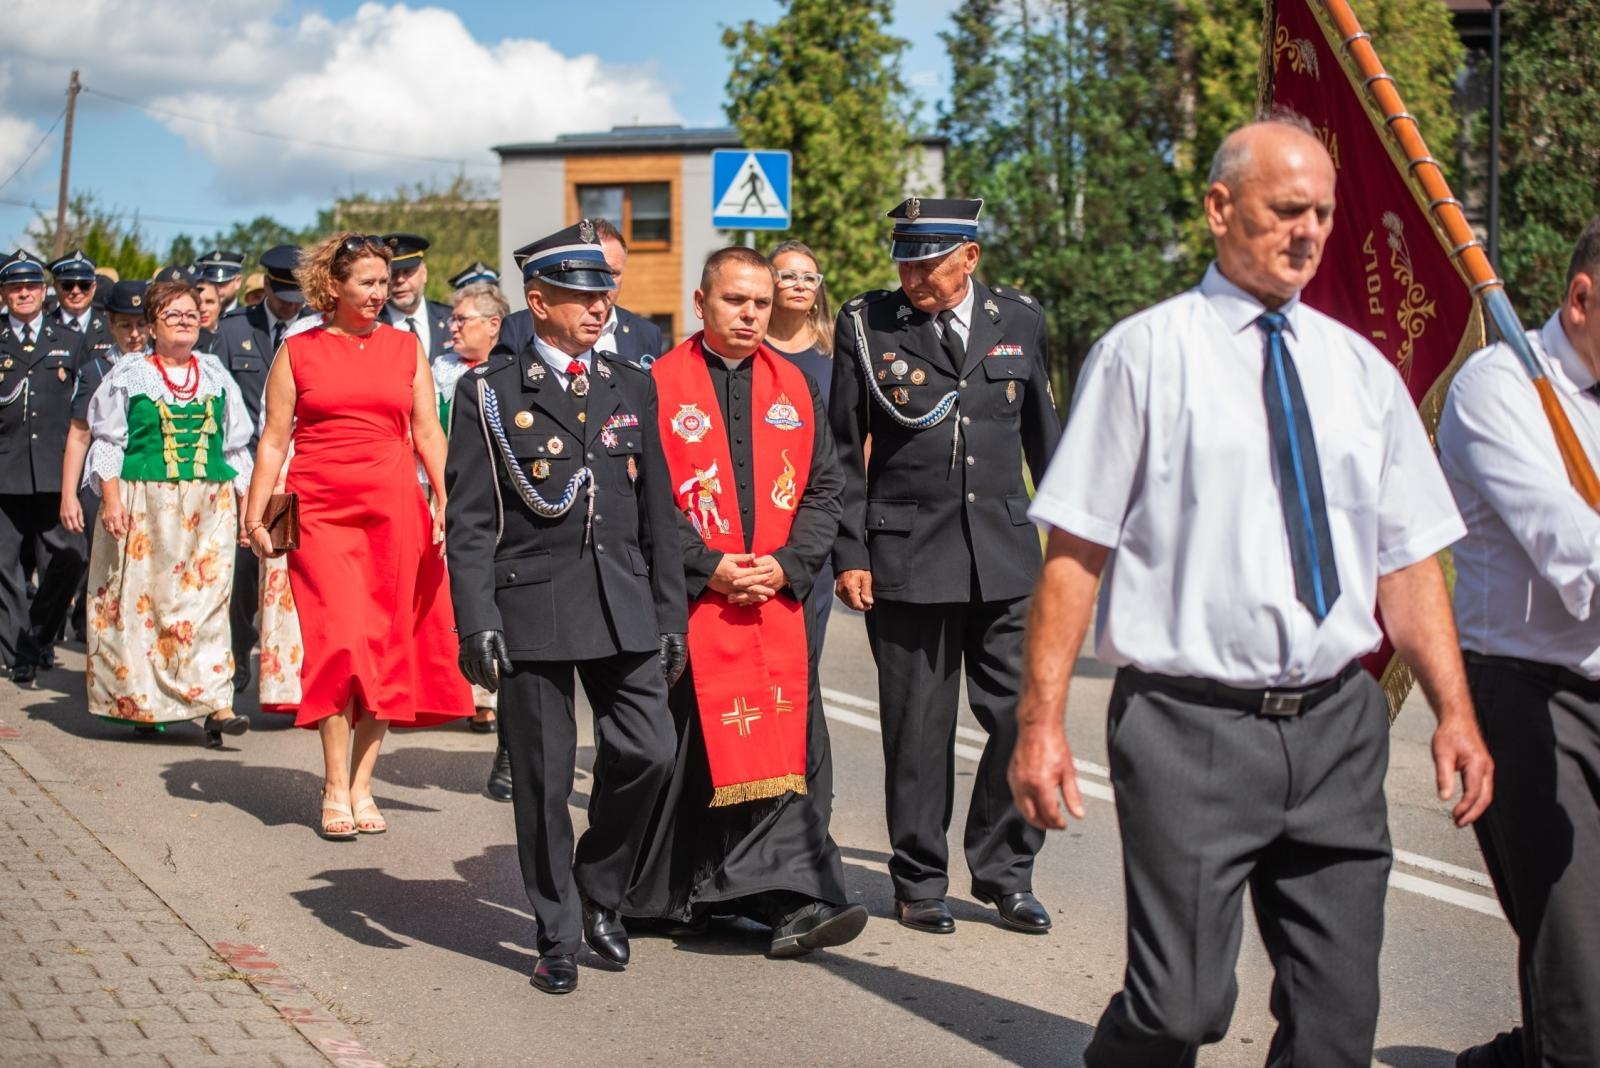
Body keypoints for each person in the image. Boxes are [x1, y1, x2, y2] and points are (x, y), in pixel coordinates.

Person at [1008, 115, 1494, 1067]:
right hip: (1191, 731)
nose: (1307, 231)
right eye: (1285, 210)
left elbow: (1406, 562)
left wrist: (1454, 712)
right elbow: (1075, 555)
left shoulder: (1361, 371)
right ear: (1220, 209)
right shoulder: (1145, 357)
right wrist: (1041, 722)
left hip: (1338, 729)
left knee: (1336, 1024)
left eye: (1320, 212)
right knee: (1181, 1006)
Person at [445, 220, 684, 995]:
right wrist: (475, 619)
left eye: (604, 292)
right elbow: (472, 521)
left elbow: (660, 514)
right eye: (582, 293)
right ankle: (556, 932)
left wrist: (671, 616)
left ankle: (600, 890)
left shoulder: (632, 383)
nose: (599, 305)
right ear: (538, 301)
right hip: (533, 608)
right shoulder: (487, 393)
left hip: (623, 603)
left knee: (650, 752)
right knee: (545, 782)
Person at [622, 247, 865, 956]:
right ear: (701, 304)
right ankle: (686, 892)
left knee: (785, 750)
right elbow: (647, 500)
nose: (751, 313)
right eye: (735, 300)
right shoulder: (657, 385)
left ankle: (796, 897)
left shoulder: (795, 385)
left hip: (776, 601)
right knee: (691, 756)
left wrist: (786, 566)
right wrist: (711, 567)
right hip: (691, 603)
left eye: (760, 302)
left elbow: (825, 490)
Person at [829, 198, 1061, 936]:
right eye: (905, 260)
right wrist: (850, 552)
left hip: (1004, 553)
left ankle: (1005, 873)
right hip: (907, 553)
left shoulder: (1018, 320)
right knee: (919, 729)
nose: (914, 275)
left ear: (970, 257)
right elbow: (841, 449)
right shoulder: (867, 325)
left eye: (928, 262)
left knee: (1020, 716)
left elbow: (1044, 443)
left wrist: (1069, 553)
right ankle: (920, 879)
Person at [242, 232, 472, 840]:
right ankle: (333, 784)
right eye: (367, 282)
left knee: (385, 649)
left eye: (384, 281)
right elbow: (272, 439)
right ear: (334, 287)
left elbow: (428, 430)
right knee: (340, 645)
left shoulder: (406, 348)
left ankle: (364, 783)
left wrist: (449, 499)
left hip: (395, 512)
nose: (380, 292)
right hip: (318, 513)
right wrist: (255, 513)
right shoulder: (299, 350)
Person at [1440, 217, 1600, 1068]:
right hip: (1528, 698)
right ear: (1582, 297)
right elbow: (1569, 544)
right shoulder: (1499, 390)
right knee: (1578, 977)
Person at [81, 280, 254, 745]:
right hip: (145, 505)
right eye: (173, 314)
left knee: (207, 603)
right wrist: (112, 500)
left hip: (208, 506)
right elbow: (108, 441)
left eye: (191, 313)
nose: (184, 321)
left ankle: (216, 702)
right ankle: (146, 702)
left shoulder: (215, 372)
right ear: (153, 325)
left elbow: (236, 446)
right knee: (145, 608)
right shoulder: (131, 373)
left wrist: (248, 508)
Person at [215, 245, 310, 695]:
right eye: (284, 296)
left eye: (299, 296)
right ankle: (236, 662)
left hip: (297, 470)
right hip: (244, 469)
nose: (292, 306)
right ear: (266, 287)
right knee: (242, 571)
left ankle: (289, 676)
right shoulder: (234, 332)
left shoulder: (314, 329)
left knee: (288, 572)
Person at [0, 250, 88, 684]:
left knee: (71, 558)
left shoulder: (68, 340)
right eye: (15, 287)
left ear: (43, 291)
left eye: (31, 286)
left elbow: (86, 404)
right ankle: (19, 651)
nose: (24, 293)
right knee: (5, 567)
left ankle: (35, 635)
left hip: (56, 471)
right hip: (6, 471)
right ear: (4, 294)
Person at [433, 279, 508, 742]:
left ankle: (489, 700)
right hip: (447, 491)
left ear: (493, 324)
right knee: (450, 594)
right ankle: (455, 692)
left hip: (501, 497)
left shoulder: (511, 368)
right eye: (453, 318)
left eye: (462, 320)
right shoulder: (440, 369)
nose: (452, 327)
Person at [61, 280, 149, 641]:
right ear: (110, 324)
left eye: (141, 323)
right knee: (109, 575)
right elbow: (80, 435)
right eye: (124, 324)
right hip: (105, 484)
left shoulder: (167, 370)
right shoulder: (95, 370)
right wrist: (69, 495)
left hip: (148, 483)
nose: (134, 333)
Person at [765, 240, 836, 660]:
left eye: (809, 277)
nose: (799, 284)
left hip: (817, 515)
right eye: (788, 275)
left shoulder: (835, 351)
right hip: (761, 514)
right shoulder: (750, 348)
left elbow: (856, 435)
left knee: (804, 656)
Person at [499, 218, 665, 368]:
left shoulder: (646, 333)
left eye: (612, 274)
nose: (602, 285)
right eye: (592, 275)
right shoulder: (518, 328)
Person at [381, 233, 453, 362]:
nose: (400, 280)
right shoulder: (371, 325)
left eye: (407, 272)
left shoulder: (451, 319)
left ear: (424, 273)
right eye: (393, 274)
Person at [47, 250, 116, 363]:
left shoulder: (112, 329)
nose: (76, 291)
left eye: (84, 285)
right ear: (56, 287)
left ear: (93, 287)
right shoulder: (42, 329)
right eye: (67, 285)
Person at [194, 249, 245, 315]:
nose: (216, 289)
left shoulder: (248, 319)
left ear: (237, 282)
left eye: (222, 283)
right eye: (211, 283)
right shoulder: (195, 318)